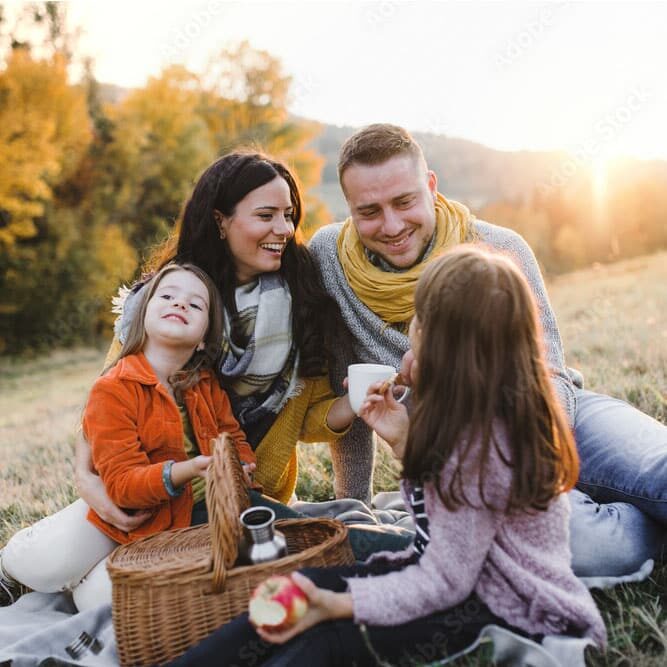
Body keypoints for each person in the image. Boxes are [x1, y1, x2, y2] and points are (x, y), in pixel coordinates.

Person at [168, 246, 607, 666]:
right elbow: (443, 526)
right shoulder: (481, 407)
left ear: (444, 345)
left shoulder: (485, 442)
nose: (410, 328)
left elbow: (443, 581)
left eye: (419, 319)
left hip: (501, 606)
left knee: (328, 632)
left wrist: (338, 605)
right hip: (463, 580)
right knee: (302, 588)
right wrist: (404, 440)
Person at [309, 123, 667, 579]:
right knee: (605, 546)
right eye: (370, 211)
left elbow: (549, 373)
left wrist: (534, 465)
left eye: (404, 202)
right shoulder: (330, 259)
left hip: (555, 421)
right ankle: (621, 517)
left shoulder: (499, 246)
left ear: (431, 186)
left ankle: (600, 500)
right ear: (349, 208)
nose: (392, 225)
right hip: (468, 470)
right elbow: (354, 391)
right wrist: (357, 504)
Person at [0, 263, 255, 610]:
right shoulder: (114, 389)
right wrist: (187, 469)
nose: (180, 304)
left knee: (100, 604)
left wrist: (243, 463)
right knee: (48, 566)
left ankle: (82, 585)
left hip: (175, 525)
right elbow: (121, 486)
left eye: (196, 305)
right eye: (167, 296)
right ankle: (11, 564)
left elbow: (232, 435)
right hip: (118, 512)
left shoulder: (205, 386)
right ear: (143, 316)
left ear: (203, 341)